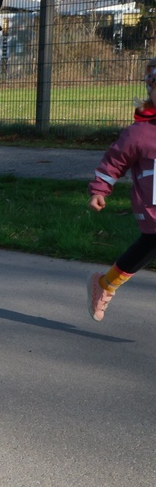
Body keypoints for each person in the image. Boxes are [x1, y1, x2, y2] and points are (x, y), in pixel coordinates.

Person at [85, 58, 156, 322]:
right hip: (153, 206)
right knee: (151, 243)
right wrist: (99, 189)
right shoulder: (140, 133)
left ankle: (105, 284)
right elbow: (114, 162)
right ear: (151, 92)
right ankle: (105, 285)